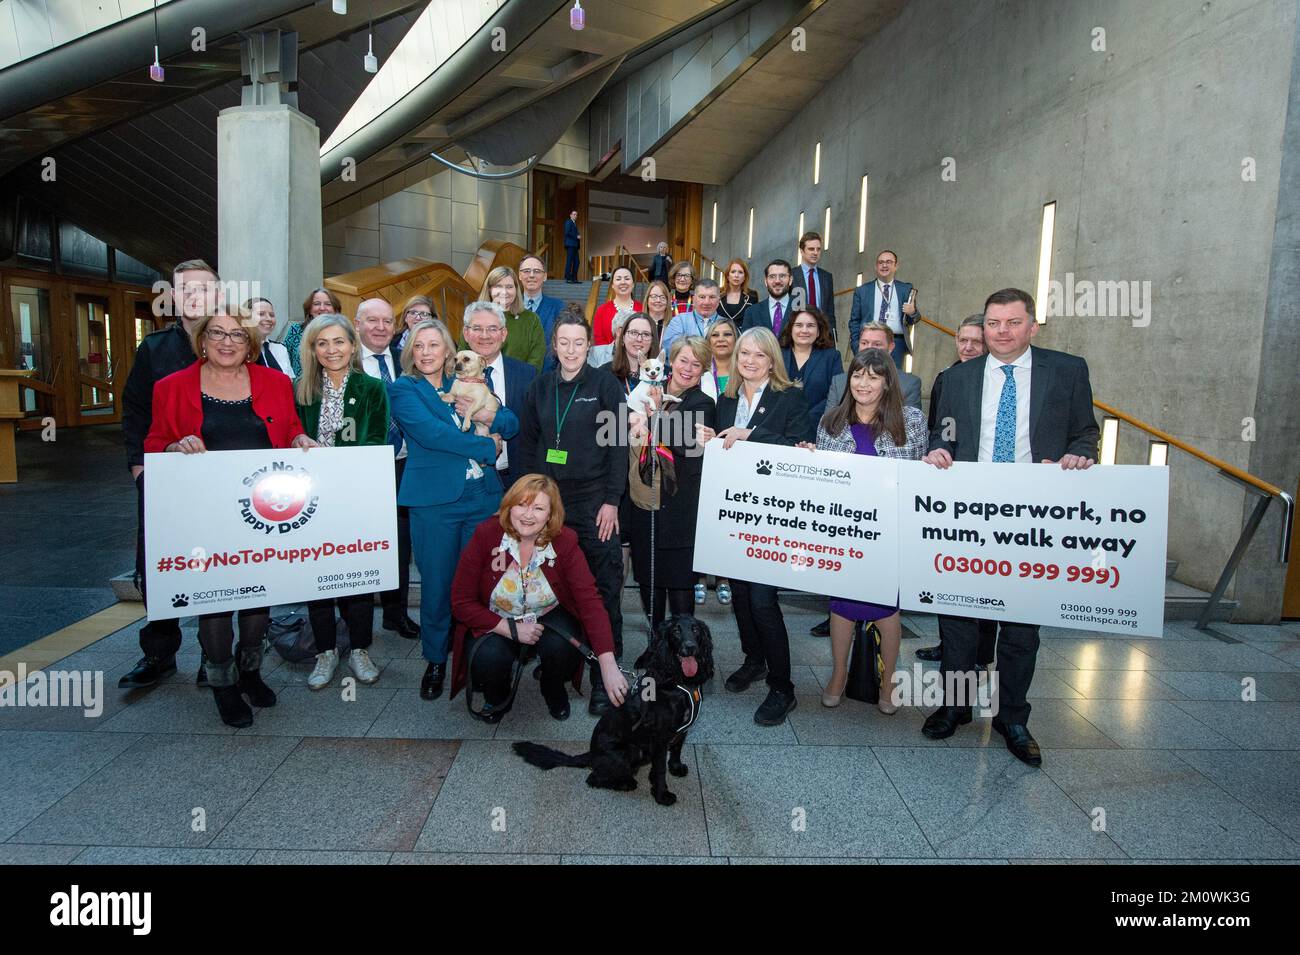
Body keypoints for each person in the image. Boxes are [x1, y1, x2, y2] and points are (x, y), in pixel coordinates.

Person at [921, 288, 1099, 767]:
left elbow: (1086, 431)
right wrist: (938, 447)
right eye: (994, 323)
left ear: (1033, 326)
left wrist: (1080, 453)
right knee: (957, 619)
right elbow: (944, 430)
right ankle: (954, 705)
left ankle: (1012, 716)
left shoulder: (1067, 370)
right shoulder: (956, 377)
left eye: (1013, 323)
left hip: (1032, 520)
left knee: (1021, 626)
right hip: (968, 517)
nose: (1002, 331)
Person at [144, 308, 315, 727]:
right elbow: (154, 440)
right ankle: (222, 682)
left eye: (238, 335)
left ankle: (251, 671)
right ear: (202, 340)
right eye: (217, 333)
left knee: (258, 595)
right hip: (203, 512)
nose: (226, 342)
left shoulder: (275, 382)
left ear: (250, 344)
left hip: (261, 509)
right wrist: (172, 448)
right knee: (215, 600)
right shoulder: (171, 387)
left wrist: (299, 438)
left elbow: (290, 428)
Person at [389, 319, 518, 702]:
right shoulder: (404, 389)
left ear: (449, 350)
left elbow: (509, 422)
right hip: (435, 503)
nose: (427, 352)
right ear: (411, 353)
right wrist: (485, 447)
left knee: (483, 584)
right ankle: (435, 660)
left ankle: (478, 659)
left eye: (434, 345)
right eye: (419, 346)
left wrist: (485, 418)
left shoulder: (466, 380)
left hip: (482, 498)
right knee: (438, 585)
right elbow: (433, 435)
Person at [516, 306, 629, 715]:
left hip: (595, 501)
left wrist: (612, 501)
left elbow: (619, 446)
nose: (570, 350)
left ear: (589, 345)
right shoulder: (540, 388)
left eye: (578, 342)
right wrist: (530, 505)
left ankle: (605, 674)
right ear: (554, 345)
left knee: (603, 590)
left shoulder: (605, 386)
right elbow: (528, 447)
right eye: (563, 342)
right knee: (550, 590)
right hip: (550, 504)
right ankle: (557, 666)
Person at [697, 327, 811, 727]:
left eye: (758, 355)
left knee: (763, 600)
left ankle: (784, 687)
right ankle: (754, 660)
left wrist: (752, 435)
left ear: (772, 360)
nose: (749, 360)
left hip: (772, 516)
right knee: (742, 597)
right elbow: (721, 446)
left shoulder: (789, 395)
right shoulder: (726, 399)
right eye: (744, 353)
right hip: (735, 513)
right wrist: (712, 437)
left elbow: (802, 445)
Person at [450, 475, 627, 722]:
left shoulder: (564, 541)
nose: (528, 515)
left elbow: (590, 602)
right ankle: (496, 694)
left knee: (563, 646)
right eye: (521, 504)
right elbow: (460, 602)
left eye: (538, 508)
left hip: (547, 614)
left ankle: (552, 688)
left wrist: (608, 664)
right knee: (487, 658)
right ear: (509, 505)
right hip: (497, 617)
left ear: (551, 514)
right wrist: (509, 628)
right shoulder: (486, 535)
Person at [120, 259, 219, 689]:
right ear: (174, 297)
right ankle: (158, 653)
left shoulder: (234, 344)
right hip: (165, 479)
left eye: (205, 288)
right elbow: (135, 412)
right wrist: (140, 469)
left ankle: (215, 655)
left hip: (219, 480)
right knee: (161, 566)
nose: (196, 296)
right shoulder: (154, 350)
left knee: (221, 564)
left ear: (219, 296)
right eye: (187, 289)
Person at [811, 348, 927, 713]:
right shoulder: (831, 421)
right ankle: (838, 674)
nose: (864, 383)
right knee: (841, 604)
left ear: (888, 381)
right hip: (845, 531)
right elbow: (821, 480)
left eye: (874, 376)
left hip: (889, 533)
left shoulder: (910, 421)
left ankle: (889, 680)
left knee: (885, 608)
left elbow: (919, 479)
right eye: (858, 375)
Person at [294, 314, 389, 690]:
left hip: (355, 497)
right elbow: (291, 437)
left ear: (353, 346)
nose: (331, 350)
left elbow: (376, 441)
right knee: (317, 580)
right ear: (313, 350)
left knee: (357, 577)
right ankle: (325, 651)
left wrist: (341, 475)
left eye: (339, 342)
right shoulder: (300, 390)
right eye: (322, 343)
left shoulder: (371, 388)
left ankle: (360, 649)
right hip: (310, 501)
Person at [918, 314, 994, 663]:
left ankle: (981, 651)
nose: (967, 347)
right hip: (954, 490)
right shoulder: (947, 378)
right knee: (954, 574)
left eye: (975, 342)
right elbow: (938, 427)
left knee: (991, 577)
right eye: (962, 340)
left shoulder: (1000, 383)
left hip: (996, 496)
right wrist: (938, 451)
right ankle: (951, 645)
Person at [626, 337, 717, 631]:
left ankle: (683, 650)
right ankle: (657, 643)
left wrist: (651, 419)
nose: (688, 369)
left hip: (680, 508)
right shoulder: (650, 391)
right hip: (645, 502)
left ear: (703, 370)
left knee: (679, 581)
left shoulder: (702, 402)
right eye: (683, 361)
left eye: (696, 364)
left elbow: (689, 443)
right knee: (649, 578)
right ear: (670, 362)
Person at [355, 297, 419, 639]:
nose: (380, 328)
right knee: (364, 541)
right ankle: (357, 623)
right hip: (362, 469)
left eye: (387, 321)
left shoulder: (404, 360)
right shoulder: (346, 362)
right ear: (358, 325)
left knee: (401, 542)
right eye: (372, 320)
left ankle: (396, 613)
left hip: (403, 464)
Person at [462, 300, 537, 490]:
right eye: (477, 328)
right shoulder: (450, 376)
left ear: (503, 334)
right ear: (466, 333)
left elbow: (533, 430)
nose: (485, 336)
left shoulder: (526, 374)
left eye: (493, 328)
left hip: (515, 480)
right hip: (466, 483)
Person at [826, 323, 922, 412]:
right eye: (864, 343)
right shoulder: (839, 382)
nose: (869, 348)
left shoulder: (909, 384)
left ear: (891, 347)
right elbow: (829, 425)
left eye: (877, 344)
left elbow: (912, 426)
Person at [778, 306, 842, 434]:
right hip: (777, 425)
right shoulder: (776, 354)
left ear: (818, 331)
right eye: (799, 325)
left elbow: (836, 394)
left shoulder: (832, 356)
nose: (804, 330)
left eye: (811, 325)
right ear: (790, 329)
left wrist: (808, 419)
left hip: (815, 427)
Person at [849, 250, 917, 367]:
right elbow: (854, 321)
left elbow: (912, 320)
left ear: (896, 266)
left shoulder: (905, 289)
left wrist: (913, 312)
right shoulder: (863, 291)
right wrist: (857, 345)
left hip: (896, 344)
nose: (884, 265)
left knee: (894, 380)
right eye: (881, 262)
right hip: (870, 342)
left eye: (889, 262)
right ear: (876, 267)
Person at [480, 265, 545, 370]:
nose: (504, 292)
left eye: (509, 287)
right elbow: (464, 355)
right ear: (489, 289)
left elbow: (536, 361)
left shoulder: (531, 320)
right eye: (498, 286)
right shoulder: (475, 318)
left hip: (518, 383)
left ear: (516, 289)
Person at [517, 254, 563, 371]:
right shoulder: (509, 307)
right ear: (520, 275)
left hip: (548, 378)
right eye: (526, 271)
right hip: (514, 378)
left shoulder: (558, 307)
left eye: (537, 271)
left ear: (545, 276)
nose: (531, 275)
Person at [284, 287, 342, 377]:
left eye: (328, 304)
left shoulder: (344, 333)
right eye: (317, 304)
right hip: (301, 388)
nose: (322, 308)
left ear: (335, 309)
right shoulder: (296, 330)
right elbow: (285, 361)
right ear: (309, 309)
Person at [790, 232, 835, 339]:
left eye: (818, 249)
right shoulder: (791, 275)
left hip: (822, 332)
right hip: (800, 332)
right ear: (802, 251)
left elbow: (830, 310)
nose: (815, 253)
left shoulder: (826, 276)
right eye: (811, 249)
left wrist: (833, 335)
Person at [660, 278, 720, 354]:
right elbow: (671, 350)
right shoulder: (679, 321)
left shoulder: (727, 325)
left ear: (718, 301)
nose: (707, 302)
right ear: (694, 300)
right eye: (702, 297)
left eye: (712, 297)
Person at [740, 259, 794, 337]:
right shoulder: (752, 312)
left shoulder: (802, 310)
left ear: (790, 280)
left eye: (782, 276)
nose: (777, 281)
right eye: (772, 276)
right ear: (766, 281)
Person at [593, 265, 642, 346]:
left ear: (633, 284)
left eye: (627, 278)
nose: (623, 282)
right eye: (618, 279)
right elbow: (599, 339)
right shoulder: (602, 310)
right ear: (612, 285)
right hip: (608, 357)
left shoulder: (642, 309)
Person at [247, 298, 291, 374]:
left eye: (272, 315)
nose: (269, 319)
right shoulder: (240, 350)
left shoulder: (280, 349)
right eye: (261, 314)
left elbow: (289, 381)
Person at [705, 316, 737, 401]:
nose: (721, 339)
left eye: (727, 334)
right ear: (708, 341)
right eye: (715, 335)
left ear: (736, 340)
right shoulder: (700, 372)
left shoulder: (746, 372)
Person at [717, 258, 758, 323]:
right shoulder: (717, 293)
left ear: (744, 277)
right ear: (727, 276)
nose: (736, 275)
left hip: (744, 332)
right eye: (733, 272)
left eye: (740, 272)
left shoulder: (752, 295)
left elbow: (755, 320)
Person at [641, 279, 673, 347]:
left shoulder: (673, 326)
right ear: (647, 299)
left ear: (667, 301)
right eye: (654, 296)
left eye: (662, 297)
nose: (658, 300)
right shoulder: (638, 323)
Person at [563, 210, 581, 283]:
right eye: (574, 214)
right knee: (569, 261)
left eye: (576, 215)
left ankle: (574, 278)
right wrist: (576, 236)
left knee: (577, 262)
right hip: (570, 245)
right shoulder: (568, 222)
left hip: (575, 246)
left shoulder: (574, 223)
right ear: (570, 215)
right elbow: (567, 232)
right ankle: (568, 278)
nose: (575, 216)